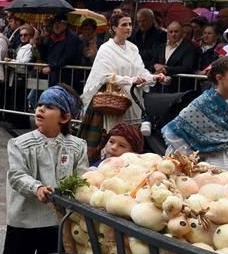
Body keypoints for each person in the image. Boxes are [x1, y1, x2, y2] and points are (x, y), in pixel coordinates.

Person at [0, 84, 88, 254]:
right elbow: (17, 176)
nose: (40, 109)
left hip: (56, 221)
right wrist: (36, 187)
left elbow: (82, 177)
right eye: (40, 104)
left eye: (49, 106)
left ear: (64, 117)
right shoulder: (20, 143)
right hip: (24, 220)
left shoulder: (76, 146)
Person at [80, 13, 165, 162]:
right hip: (114, 101)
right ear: (114, 28)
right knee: (114, 137)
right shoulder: (106, 48)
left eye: (130, 24)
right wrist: (131, 80)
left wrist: (153, 77)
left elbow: (141, 70)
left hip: (134, 99)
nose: (128, 28)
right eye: (124, 25)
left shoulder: (133, 48)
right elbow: (105, 75)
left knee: (131, 139)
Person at [163, 56, 228, 182]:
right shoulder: (201, 104)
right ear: (219, 77)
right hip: (217, 161)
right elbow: (174, 131)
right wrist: (192, 156)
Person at [151, 21, 201, 92]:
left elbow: (187, 67)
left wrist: (166, 69)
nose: (173, 34)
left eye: (176, 31)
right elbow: (152, 63)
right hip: (160, 88)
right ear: (167, 34)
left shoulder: (189, 48)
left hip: (179, 89)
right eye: (171, 32)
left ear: (181, 33)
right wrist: (155, 66)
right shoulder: (161, 47)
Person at [38, 14, 83, 88]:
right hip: (53, 76)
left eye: (59, 22)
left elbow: (68, 57)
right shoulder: (50, 36)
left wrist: (52, 67)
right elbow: (45, 55)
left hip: (67, 77)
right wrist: (40, 44)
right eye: (55, 22)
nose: (56, 25)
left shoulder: (72, 38)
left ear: (65, 24)